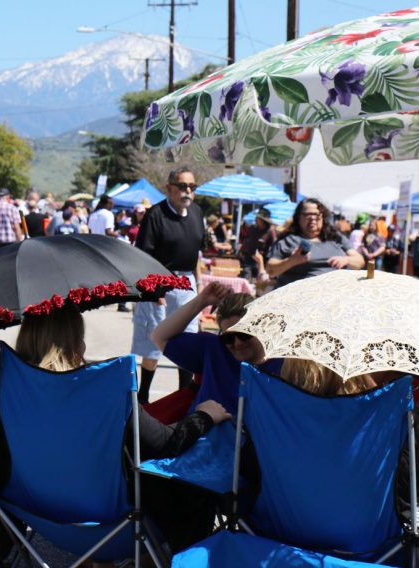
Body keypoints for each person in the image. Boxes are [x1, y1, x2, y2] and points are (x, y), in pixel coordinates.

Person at [14, 305, 230, 550]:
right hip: (105, 522)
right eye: (81, 339)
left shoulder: (13, 387)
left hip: (36, 511)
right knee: (195, 487)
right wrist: (204, 416)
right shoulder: (101, 389)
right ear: (74, 345)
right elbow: (165, 444)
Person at [150, 282, 282, 416]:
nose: (237, 343)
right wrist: (202, 300)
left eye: (244, 334)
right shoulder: (214, 347)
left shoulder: (286, 363)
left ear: (260, 327)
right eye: (228, 337)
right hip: (203, 433)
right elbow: (159, 337)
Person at [132, 167, 206, 404]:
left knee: (188, 340)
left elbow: (196, 253)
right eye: (183, 186)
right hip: (160, 284)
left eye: (192, 187)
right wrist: (154, 291)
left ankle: (184, 397)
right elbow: (143, 256)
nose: (188, 191)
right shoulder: (156, 215)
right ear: (169, 188)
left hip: (187, 283)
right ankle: (143, 397)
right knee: (154, 342)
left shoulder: (196, 213)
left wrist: (200, 283)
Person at [266, 198, 364, 287]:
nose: (312, 218)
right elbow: (271, 271)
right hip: (300, 298)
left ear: (323, 217)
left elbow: (360, 261)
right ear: (298, 218)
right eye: (307, 214)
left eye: (316, 214)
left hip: (335, 295)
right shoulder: (287, 240)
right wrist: (292, 261)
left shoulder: (335, 238)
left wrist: (346, 260)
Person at [239, 208, 278, 279]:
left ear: (263, 220)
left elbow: (274, 248)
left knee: (259, 283)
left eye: (258, 218)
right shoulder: (252, 228)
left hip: (261, 262)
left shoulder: (270, 231)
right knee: (246, 278)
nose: (255, 219)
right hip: (248, 259)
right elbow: (246, 240)